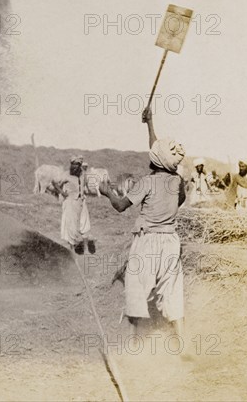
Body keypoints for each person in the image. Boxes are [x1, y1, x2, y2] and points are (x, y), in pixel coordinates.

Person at [99, 107, 187, 345]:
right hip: (170, 241)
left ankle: (136, 343)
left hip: (147, 241)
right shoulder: (178, 181)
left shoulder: (147, 183)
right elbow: (158, 151)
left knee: (137, 288)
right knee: (171, 289)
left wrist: (107, 192)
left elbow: (120, 206)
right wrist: (150, 123)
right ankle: (181, 342)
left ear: (155, 159)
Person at [54, 156, 95, 255]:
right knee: (71, 226)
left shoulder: (83, 174)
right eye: (73, 165)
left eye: (77, 165)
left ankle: (85, 250)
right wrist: (62, 193)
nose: (75, 167)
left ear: (80, 165)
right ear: (71, 165)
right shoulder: (66, 175)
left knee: (84, 225)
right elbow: (55, 183)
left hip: (81, 201)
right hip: (70, 202)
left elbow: (86, 187)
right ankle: (72, 250)